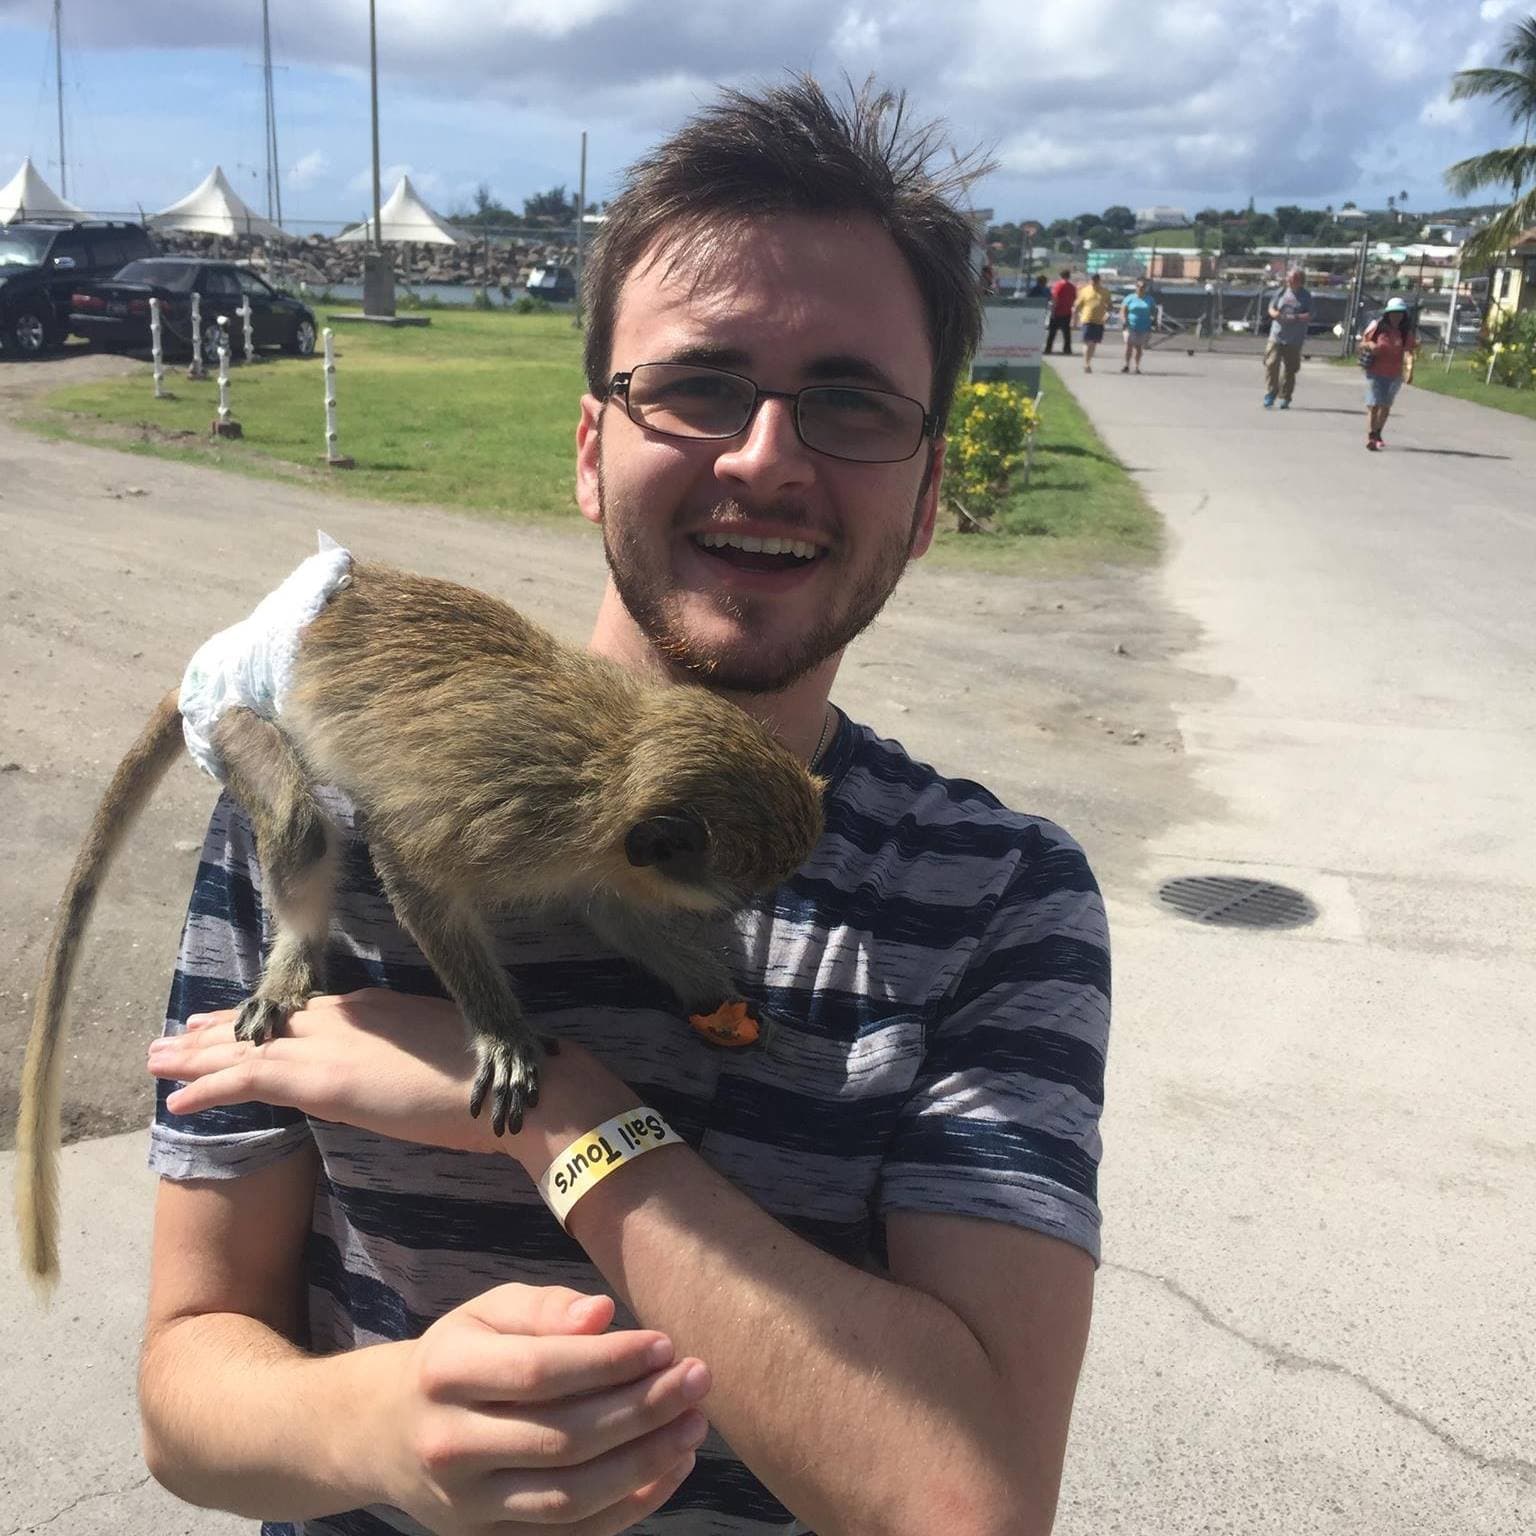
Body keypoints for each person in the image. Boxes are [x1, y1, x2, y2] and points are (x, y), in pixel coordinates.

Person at [138, 77, 1109, 1536]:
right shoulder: (333, 800)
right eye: (702, 382)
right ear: (592, 447)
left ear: (924, 498)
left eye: (849, 400)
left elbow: (963, 1501)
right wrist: (373, 1428)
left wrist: (558, 1114)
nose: (768, 455)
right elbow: (184, 1390)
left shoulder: (995, 896)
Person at [1359, 296, 1417, 450]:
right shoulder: (1377, 327)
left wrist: (1409, 371)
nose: (1396, 316)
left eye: (1399, 313)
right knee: (1374, 404)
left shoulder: (1405, 333)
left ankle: (1378, 433)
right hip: (1376, 371)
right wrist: (1371, 345)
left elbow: (1409, 352)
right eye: (1393, 313)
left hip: (1395, 374)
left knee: (1385, 405)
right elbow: (1362, 343)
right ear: (1388, 313)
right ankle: (1371, 436)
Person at [1263, 265, 1312, 408]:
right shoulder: (1281, 292)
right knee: (1271, 363)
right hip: (1277, 335)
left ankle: (1285, 396)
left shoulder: (1306, 296)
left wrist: (1295, 317)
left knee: (1290, 369)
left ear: (1300, 280)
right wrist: (1275, 314)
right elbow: (1271, 308)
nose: (1290, 281)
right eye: (1289, 278)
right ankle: (1270, 392)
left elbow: (1310, 314)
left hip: (1294, 338)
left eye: (1293, 278)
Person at [1073, 272, 1111, 372]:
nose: (1094, 282)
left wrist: (1107, 315)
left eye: (1096, 280)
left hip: (1099, 321)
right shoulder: (1084, 291)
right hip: (1087, 319)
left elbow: (1110, 306)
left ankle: (1088, 361)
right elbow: (1077, 305)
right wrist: (1075, 319)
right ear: (1090, 280)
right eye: (1092, 280)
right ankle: (1086, 364)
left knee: (1093, 344)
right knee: (1087, 342)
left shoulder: (1105, 292)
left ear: (1099, 280)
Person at [1120, 276, 1155, 373]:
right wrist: (1124, 321)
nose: (1140, 288)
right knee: (1129, 345)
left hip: (1144, 326)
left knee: (1139, 347)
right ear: (1136, 287)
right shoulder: (1129, 298)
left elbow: (1153, 311)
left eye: (1143, 286)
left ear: (1145, 288)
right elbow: (1123, 311)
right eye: (1138, 286)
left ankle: (1137, 366)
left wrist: (1153, 320)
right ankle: (1126, 365)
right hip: (1130, 326)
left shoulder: (1149, 299)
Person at [1045, 265, 1077, 354]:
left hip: (1057, 311)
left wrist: (1052, 310)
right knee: (1066, 333)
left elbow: (1055, 298)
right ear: (1069, 276)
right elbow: (1074, 298)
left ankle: (1048, 348)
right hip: (1067, 311)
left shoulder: (1058, 285)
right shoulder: (1072, 287)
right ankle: (1067, 349)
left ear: (1061, 276)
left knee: (1052, 332)